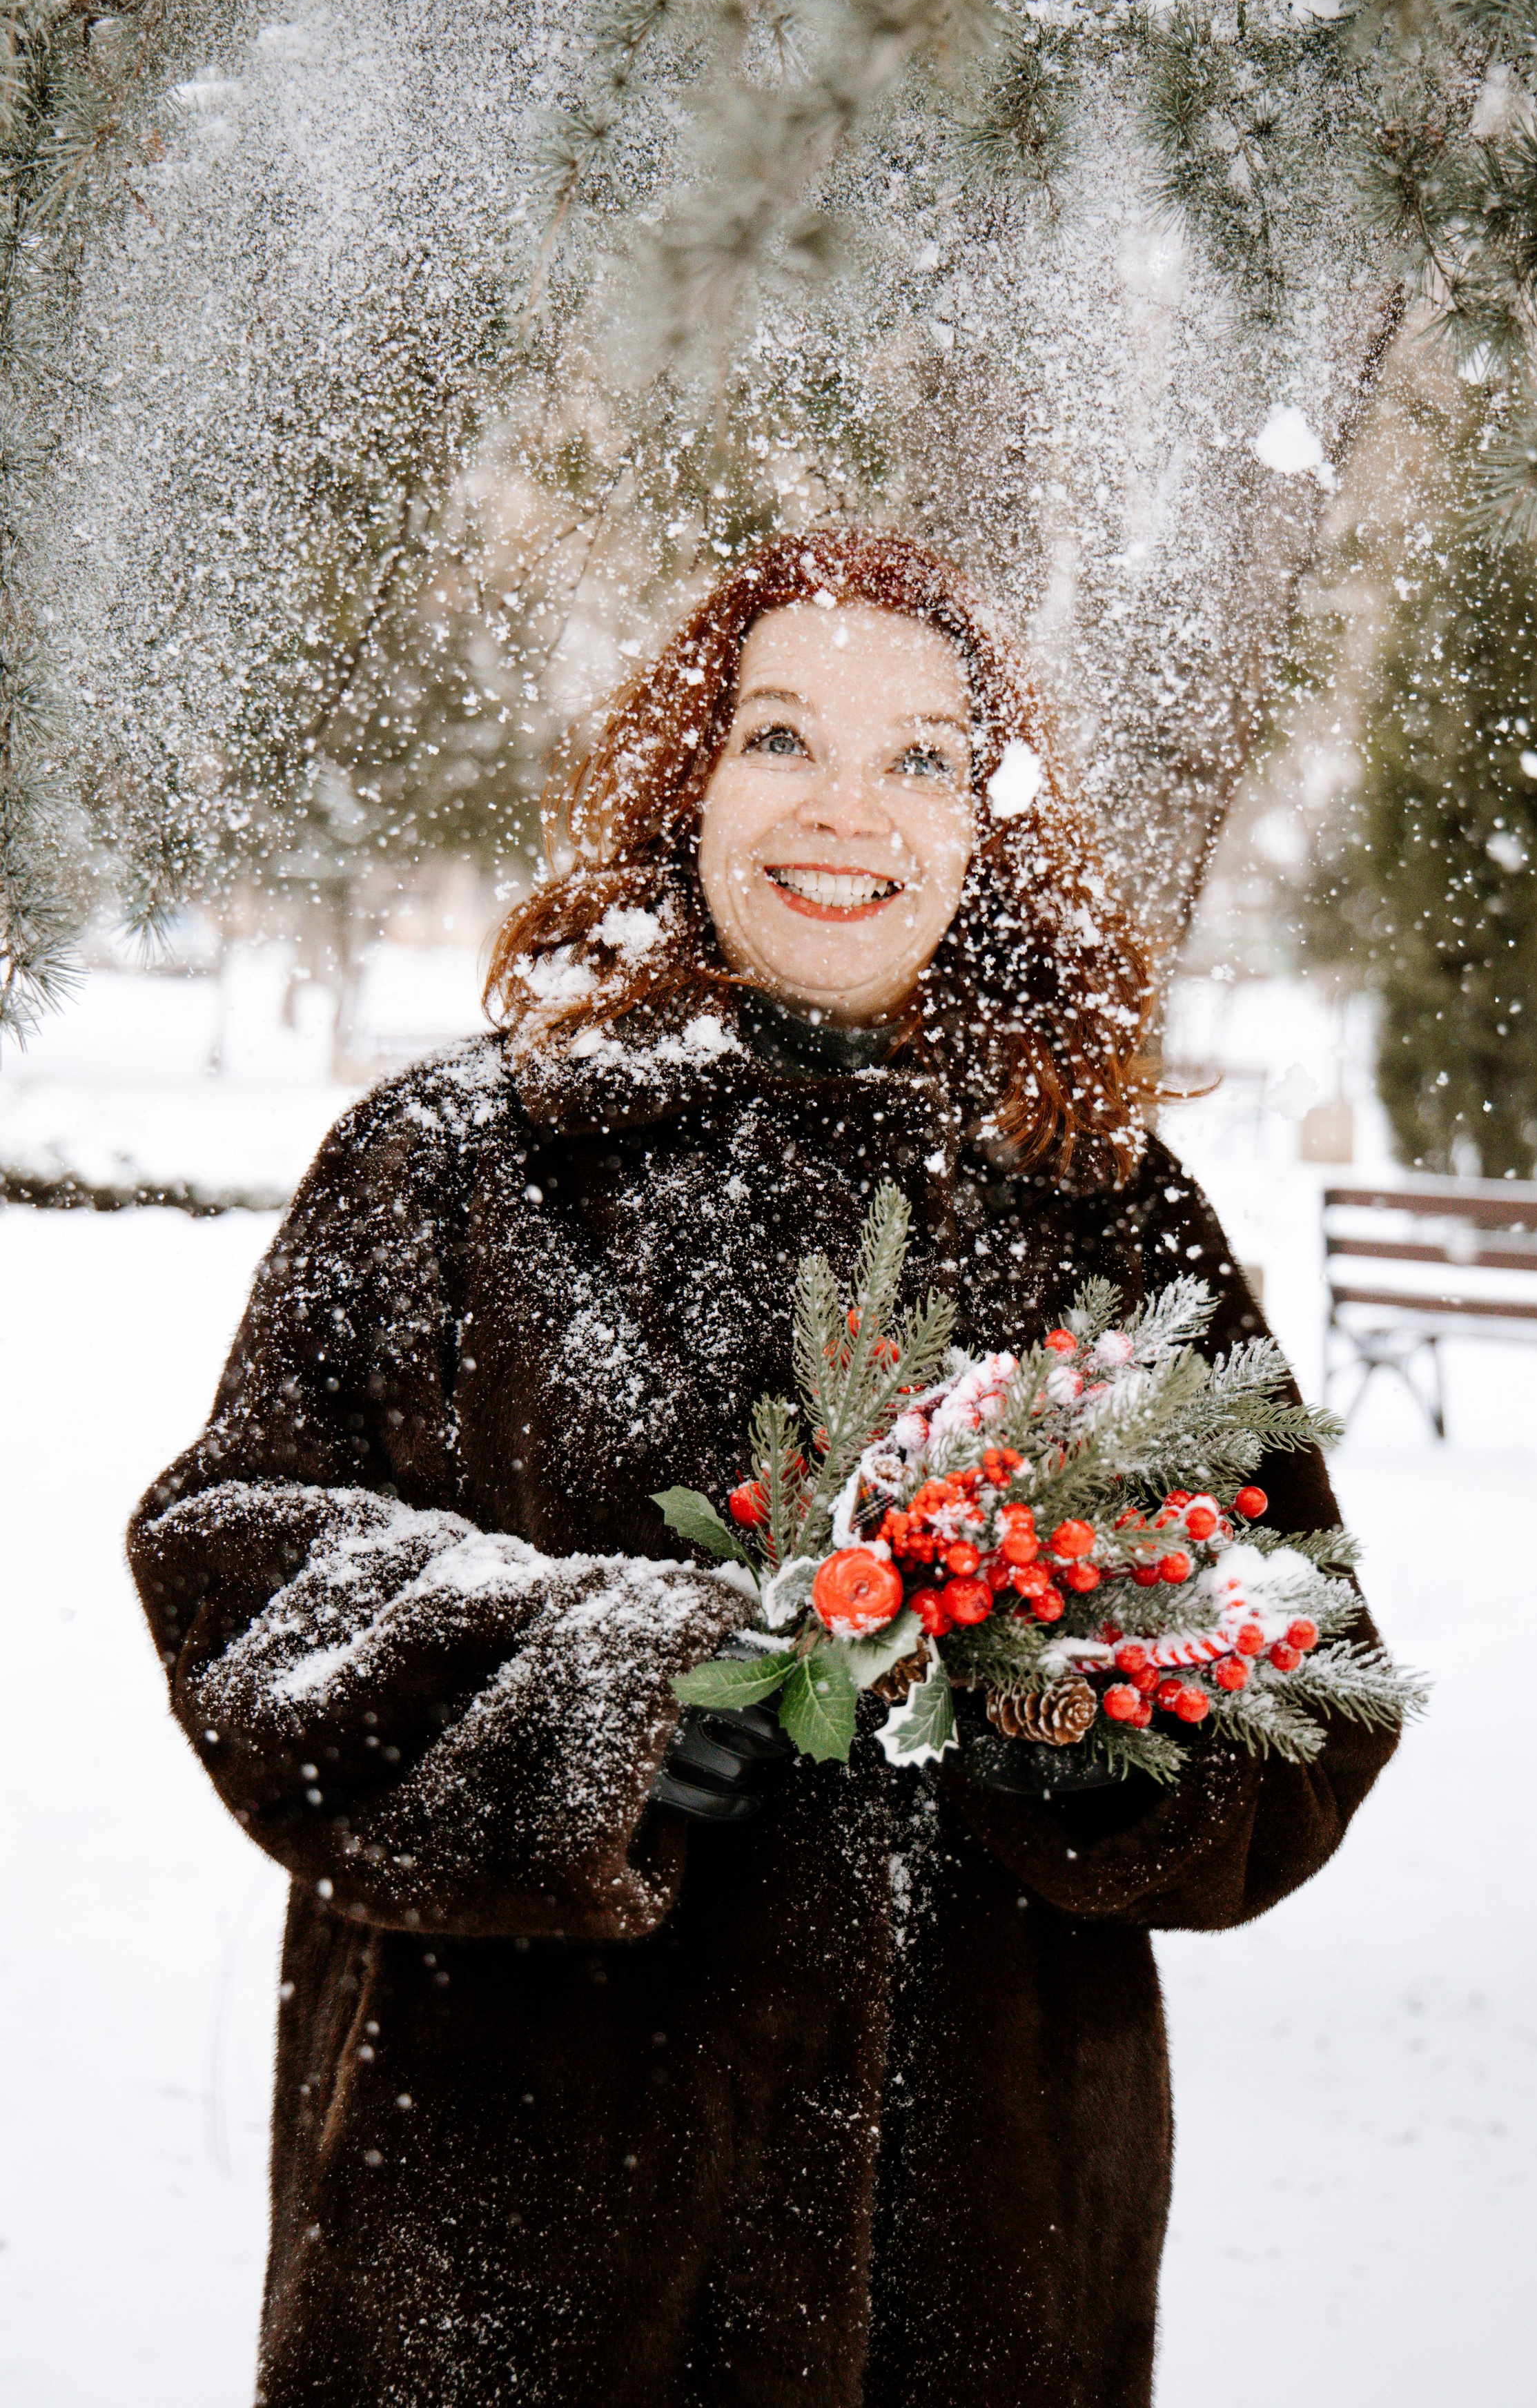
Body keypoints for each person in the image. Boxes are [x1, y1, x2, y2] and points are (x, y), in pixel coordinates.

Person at [130, 525, 1398, 2408]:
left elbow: (1305, 1670)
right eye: (784, 736)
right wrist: (596, 1694)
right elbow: (243, 1573)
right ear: (689, 778)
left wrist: (1065, 1698)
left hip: (973, 2284)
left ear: (988, 825)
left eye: (923, 760)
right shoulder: (457, 1162)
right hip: (503, 2269)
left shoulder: (1103, 1216)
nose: (848, 811)